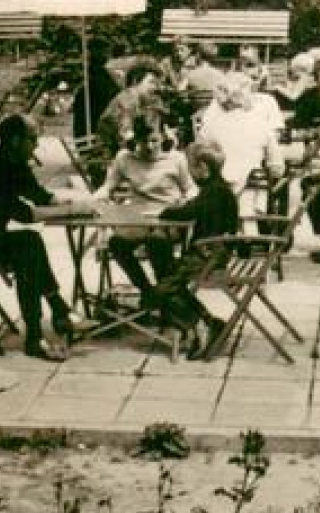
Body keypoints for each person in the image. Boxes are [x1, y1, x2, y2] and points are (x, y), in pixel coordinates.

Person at [0, 113, 83, 360]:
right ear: (16, 141)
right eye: (33, 139)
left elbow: (39, 195)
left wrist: (76, 204)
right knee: (28, 245)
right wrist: (70, 211)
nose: (37, 145)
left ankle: (56, 314)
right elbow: (24, 214)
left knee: (30, 244)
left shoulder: (14, 162)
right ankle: (39, 330)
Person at [93, 113, 195, 301]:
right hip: (138, 218)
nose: (149, 147)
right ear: (135, 137)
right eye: (143, 141)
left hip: (167, 219)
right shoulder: (124, 158)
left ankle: (168, 297)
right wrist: (99, 198)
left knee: (157, 242)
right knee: (116, 243)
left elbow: (190, 188)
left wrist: (188, 201)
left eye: (154, 140)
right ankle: (148, 291)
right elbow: (108, 186)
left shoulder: (176, 158)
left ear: (163, 135)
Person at [153, 141, 237, 358]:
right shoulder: (220, 189)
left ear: (203, 168)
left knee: (159, 291)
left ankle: (201, 324)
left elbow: (186, 213)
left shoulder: (211, 193)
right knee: (169, 280)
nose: (189, 172)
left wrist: (166, 212)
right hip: (217, 253)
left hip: (206, 255)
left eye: (191, 167)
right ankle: (209, 323)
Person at [194, 73, 284, 223]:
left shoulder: (210, 125)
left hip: (217, 190)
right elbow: (277, 168)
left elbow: (198, 154)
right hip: (251, 189)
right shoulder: (261, 124)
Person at [95, 61, 165, 157]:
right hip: (111, 153)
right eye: (151, 82)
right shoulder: (126, 99)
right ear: (136, 81)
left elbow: (151, 129)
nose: (156, 87)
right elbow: (126, 134)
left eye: (157, 84)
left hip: (127, 149)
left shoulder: (145, 100)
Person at [72, 38, 122, 142]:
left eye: (107, 51)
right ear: (95, 52)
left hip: (100, 120)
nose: (108, 55)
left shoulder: (102, 73)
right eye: (105, 51)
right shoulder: (90, 74)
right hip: (94, 122)